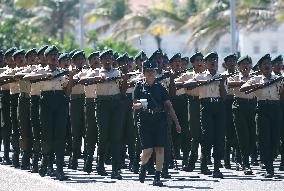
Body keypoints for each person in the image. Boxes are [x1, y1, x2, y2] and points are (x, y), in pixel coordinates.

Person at [133, 60, 181, 187]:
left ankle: (157, 176)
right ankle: (143, 166)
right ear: (143, 73)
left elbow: (169, 106)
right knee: (148, 150)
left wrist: (176, 123)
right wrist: (141, 105)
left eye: (152, 71)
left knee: (160, 149)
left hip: (159, 121)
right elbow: (134, 104)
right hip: (144, 121)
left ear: (156, 73)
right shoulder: (139, 87)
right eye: (148, 71)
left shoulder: (160, 88)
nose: (150, 74)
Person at [240, 54, 284, 178]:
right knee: (264, 139)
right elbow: (243, 88)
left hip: (275, 109)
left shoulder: (278, 78)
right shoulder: (256, 79)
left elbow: (281, 94)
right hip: (262, 109)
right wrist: (257, 86)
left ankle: (271, 157)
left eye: (269, 63)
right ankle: (269, 167)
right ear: (260, 67)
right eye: (264, 64)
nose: (267, 66)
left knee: (275, 139)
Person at [175, 52, 205, 172]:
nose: (199, 63)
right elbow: (175, 83)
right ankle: (190, 160)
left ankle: (204, 162)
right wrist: (188, 84)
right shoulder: (187, 75)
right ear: (192, 63)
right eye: (197, 60)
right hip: (192, 103)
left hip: (206, 103)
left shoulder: (207, 75)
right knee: (193, 133)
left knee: (205, 133)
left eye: (201, 60)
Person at [227, 55, 255, 175]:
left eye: (248, 63)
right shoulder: (234, 77)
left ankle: (240, 158)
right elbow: (230, 84)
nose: (245, 66)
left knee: (252, 136)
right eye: (243, 63)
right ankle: (245, 163)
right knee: (242, 135)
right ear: (238, 66)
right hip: (239, 106)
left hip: (252, 106)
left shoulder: (256, 77)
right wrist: (246, 81)